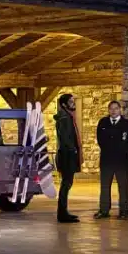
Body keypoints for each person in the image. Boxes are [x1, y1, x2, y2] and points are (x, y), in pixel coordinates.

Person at [95, 99, 128, 219]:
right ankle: (104, 210)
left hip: (121, 160)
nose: (113, 111)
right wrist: (109, 150)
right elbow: (100, 140)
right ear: (108, 110)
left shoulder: (127, 124)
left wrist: (121, 151)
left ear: (120, 110)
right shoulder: (102, 122)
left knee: (123, 186)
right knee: (105, 186)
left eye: (116, 108)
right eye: (111, 108)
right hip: (106, 160)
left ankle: (123, 211)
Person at [54, 94, 82, 224]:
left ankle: (64, 212)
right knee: (66, 183)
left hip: (67, 154)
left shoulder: (67, 117)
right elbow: (65, 138)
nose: (73, 103)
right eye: (70, 101)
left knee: (67, 183)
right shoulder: (65, 118)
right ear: (65, 104)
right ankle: (62, 213)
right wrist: (73, 149)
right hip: (67, 155)